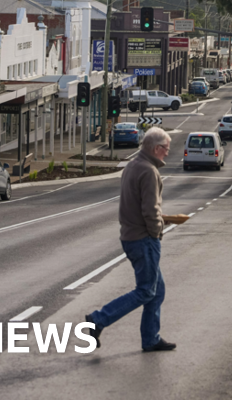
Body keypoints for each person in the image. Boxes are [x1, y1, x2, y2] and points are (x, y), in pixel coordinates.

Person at [85, 126, 176, 352]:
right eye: (166, 148)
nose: (168, 152)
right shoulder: (148, 171)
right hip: (143, 239)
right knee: (146, 290)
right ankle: (98, 319)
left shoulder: (133, 166)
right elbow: (150, 210)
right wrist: (157, 231)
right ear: (156, 148)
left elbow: (134, 204)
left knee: (157, 289)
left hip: (130, 235)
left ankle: (151, 338)